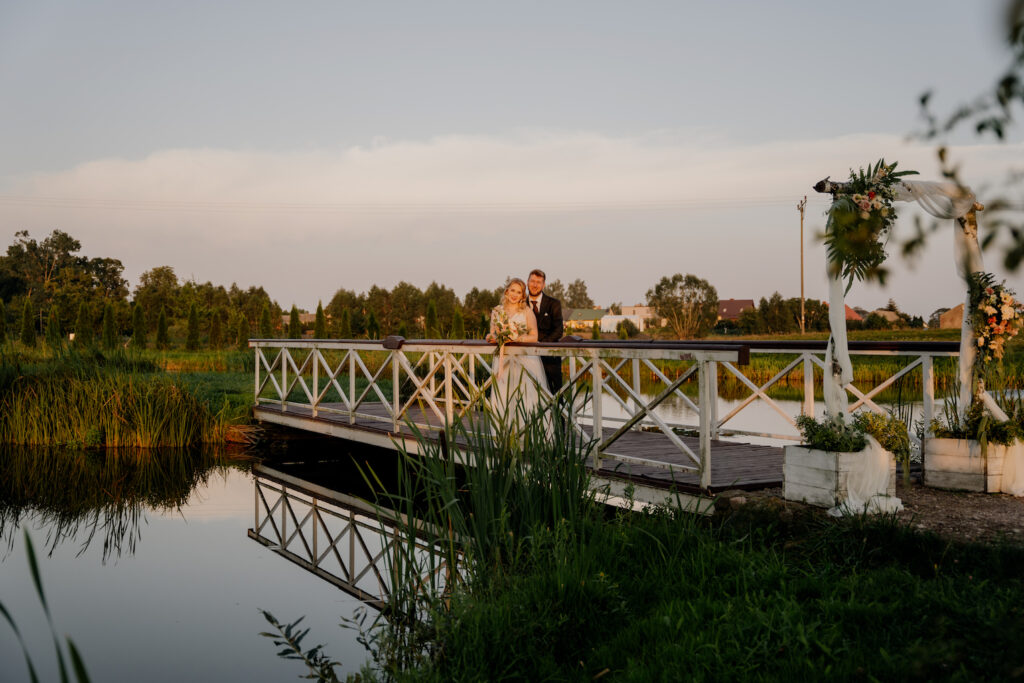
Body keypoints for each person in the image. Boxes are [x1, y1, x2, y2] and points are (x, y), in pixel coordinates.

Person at [486, 278, 547, 429]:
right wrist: (497, 337)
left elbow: (534, 336)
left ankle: (527, 436)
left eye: (519, 292)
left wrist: (516, 338)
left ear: (522, 296)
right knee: (504, 395)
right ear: (507, 291)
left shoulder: (526, 311)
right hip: (504, 360)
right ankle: (504, 435)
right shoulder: (497, 311)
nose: (514, 294)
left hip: (524, 360)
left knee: (525, 396)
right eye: (512, 290)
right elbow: (492, 334)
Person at [526, 269, 564, 395]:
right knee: (530, 394)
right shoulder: (521, 305)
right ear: (527, 282)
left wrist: (540, 345)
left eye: (539, 282)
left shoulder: (554, 304)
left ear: (544, 285)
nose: (535, 285)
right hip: (527, 358)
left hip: (549, 358)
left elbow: (558, 330)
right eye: (532, 281)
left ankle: (559, 415)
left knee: (555, 395)